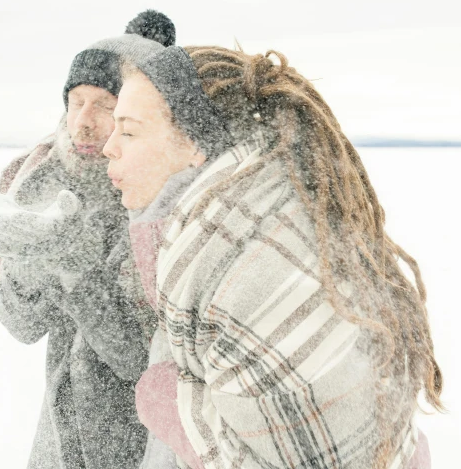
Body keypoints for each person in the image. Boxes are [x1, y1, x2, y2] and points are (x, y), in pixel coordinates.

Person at [103, 45, 441, 468]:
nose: (108, 147)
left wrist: (170, 405)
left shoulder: (243, 264)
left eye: (129, 131)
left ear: (193, 142)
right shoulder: (255, 219)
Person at [0, 10, 177, 469]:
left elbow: (139, 358)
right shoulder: (43, 178)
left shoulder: (164, 202)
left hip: (140, 438)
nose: (82, 121)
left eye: (104, 105)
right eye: (75, 101)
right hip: (60, 434)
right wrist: (26, 255)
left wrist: (70, 262)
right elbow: (20, 324)